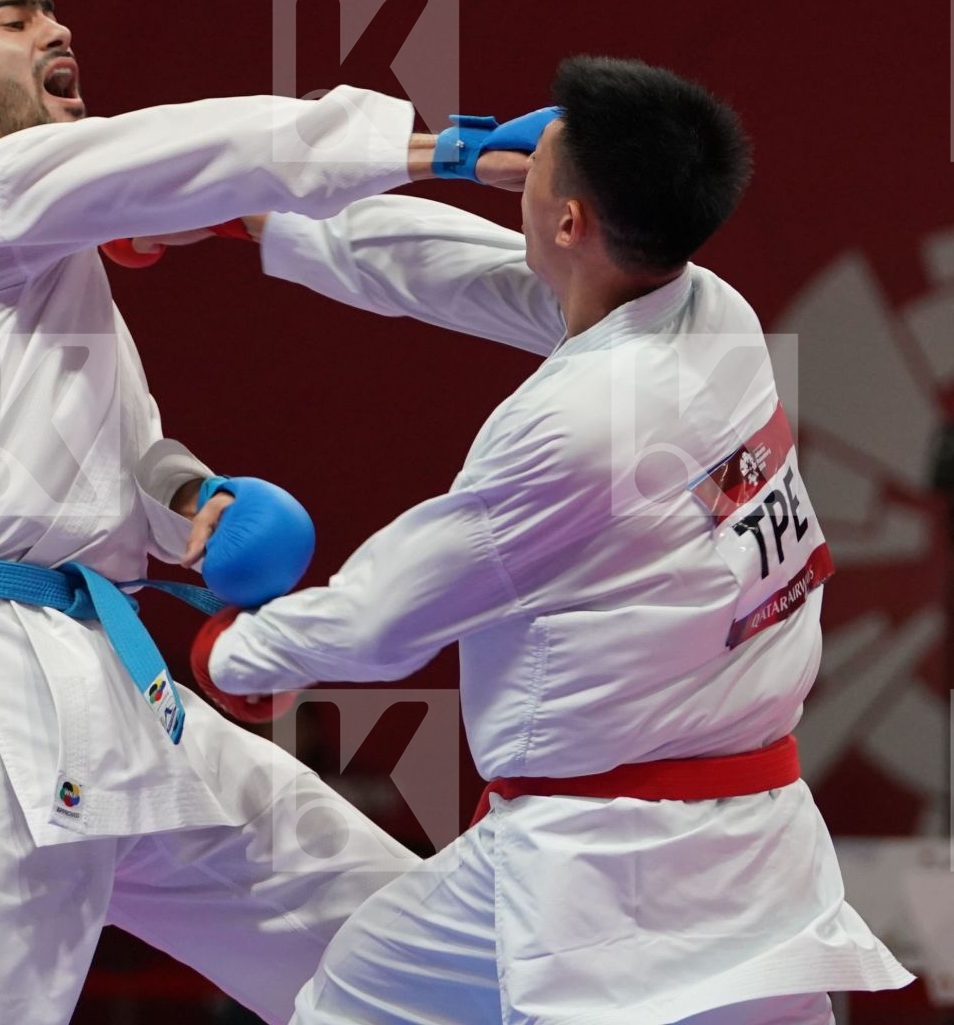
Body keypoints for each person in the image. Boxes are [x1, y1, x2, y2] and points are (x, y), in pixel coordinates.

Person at [0, 0, 530, 1024]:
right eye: (14, 18)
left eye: (54, 11)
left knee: (406, 950)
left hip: (106, 681)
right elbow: (189, 152)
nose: (53, 30)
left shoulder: (39, 258)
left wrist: (189, 506)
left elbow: (107, 452)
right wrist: (433, 146)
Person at [194, 56, 916, 1023]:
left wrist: (242, 653)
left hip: (596, 864)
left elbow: (388, 614)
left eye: (544, 162)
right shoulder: (715, 315)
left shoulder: (578, 426)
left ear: (572, 222)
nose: (522, 159)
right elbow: (481, 276)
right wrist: (273, 218)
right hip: (755, 844)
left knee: (352, 1000)